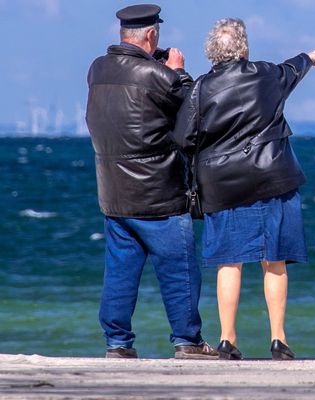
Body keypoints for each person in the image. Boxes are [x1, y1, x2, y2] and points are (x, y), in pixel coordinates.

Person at [171, 18, 315, 360]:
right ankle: (278, 340)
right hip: (274, 178)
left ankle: (227, 339)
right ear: (243, 48)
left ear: (213, 51)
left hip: (222, 186)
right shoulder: (266, 74)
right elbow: (292, 69)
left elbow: (183, 138)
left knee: (229, 263)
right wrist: (309, 57)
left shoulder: (200, 89)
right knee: (275, 261)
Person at [85, 4, 218, 360]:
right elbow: (194, 107)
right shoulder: (158, 76)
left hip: (114, 194)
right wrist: (178, 71)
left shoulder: (97, 69)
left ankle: (117, 343)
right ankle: (187, 341)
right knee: (180, 273)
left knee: (120, 274)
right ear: (151, 35)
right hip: (159, 193)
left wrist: (159, 69)